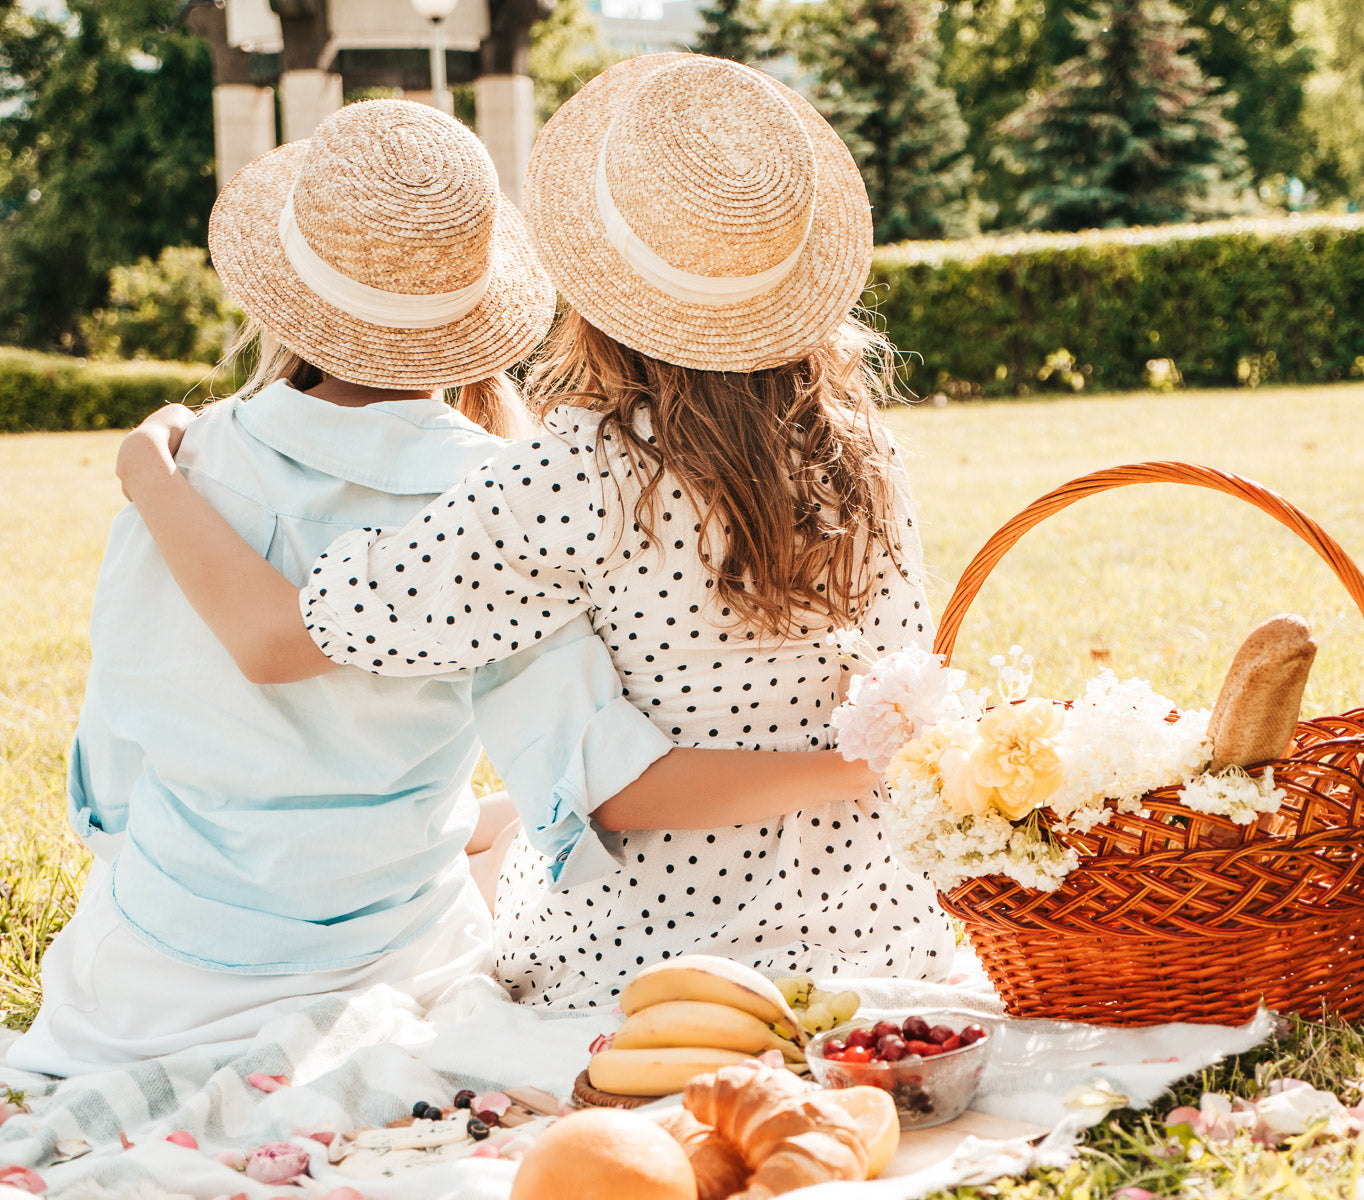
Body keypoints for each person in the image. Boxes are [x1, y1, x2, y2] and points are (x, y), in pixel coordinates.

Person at [10, 97, 873, 1077]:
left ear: (285, 294)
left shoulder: (179, 467)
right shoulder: (502, 497)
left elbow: (116, 760)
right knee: (498, 846)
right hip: (389, 957)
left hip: (149, 977)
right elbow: (591, 772)